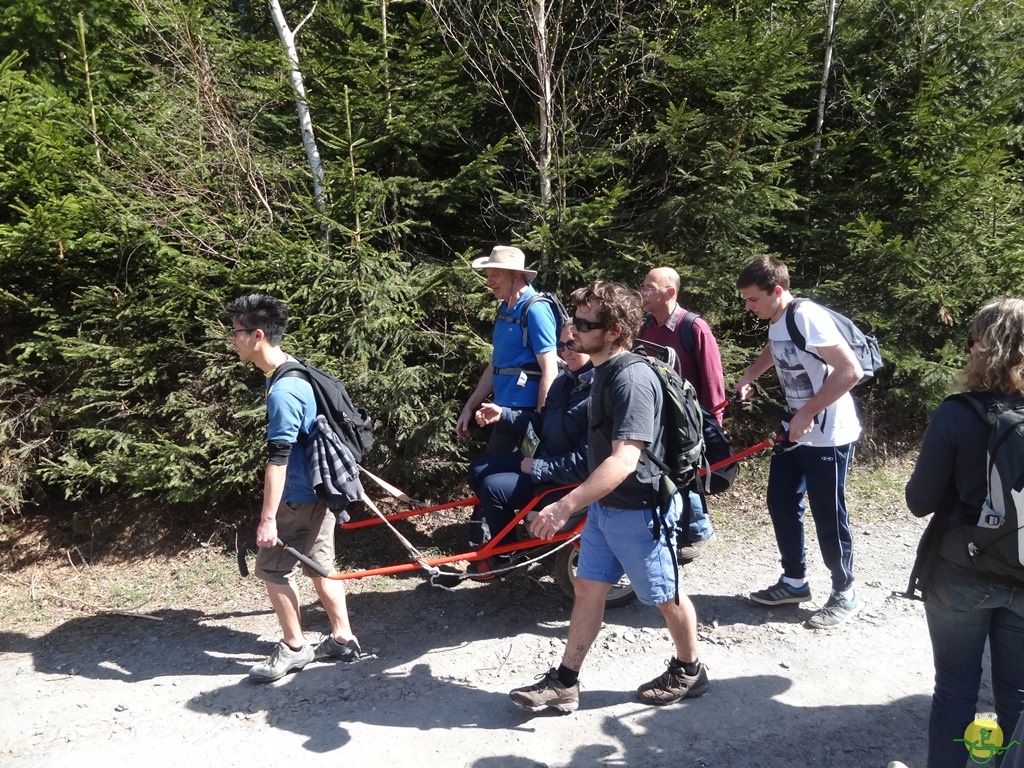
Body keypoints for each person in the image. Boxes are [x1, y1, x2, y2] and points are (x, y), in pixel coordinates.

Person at [508, 280, 709, 714]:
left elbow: (624, 460)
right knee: (587, 588)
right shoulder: (600, 372)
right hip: (606, 508)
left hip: (640, 511)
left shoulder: (632, 380)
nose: (572, 330)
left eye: (583, 323)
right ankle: (565, 681)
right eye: (572, 321)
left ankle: (690, 670)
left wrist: (564, 505)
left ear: (614, 330)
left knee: (665, 595)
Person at [905, 298, 1024, 768]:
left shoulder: (956, 413)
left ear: (979, 347)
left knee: (956, 691)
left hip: (960, 573)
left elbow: (920, 502)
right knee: (1016, 695)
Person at [223, 294, 361, 682]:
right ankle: (343, 638)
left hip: (299, 495)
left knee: (272, 570)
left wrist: (268, 520)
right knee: (321, 566)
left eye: (235, 332)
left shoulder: (283, 391)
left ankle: (294, 647)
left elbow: (278, 460)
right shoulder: (295, 370)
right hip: (322, 491)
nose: (232, 340)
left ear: (258, 335)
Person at [734, 256, 864, 629]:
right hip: (796, 431)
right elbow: (777, 349)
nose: (748, 307)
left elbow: (849, 370)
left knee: (828, 512)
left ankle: (845, 591)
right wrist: (748, 375)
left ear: (777, 291)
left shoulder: (806, 315)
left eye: (753, 299)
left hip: (829, 435)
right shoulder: (778, 319)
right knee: (780, 500)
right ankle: (794, 582)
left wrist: (806, 412)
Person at [465, 323, 595, 579]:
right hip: (544, 460)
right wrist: (504, 415)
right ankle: (509, 541)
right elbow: (541, 421)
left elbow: (586, 462)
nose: (565, 352)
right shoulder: (565, 380)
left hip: (562, 477)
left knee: (494, 487)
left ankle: (503, 556)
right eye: (561, 345)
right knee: (478, 470)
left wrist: (537, 467)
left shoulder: (597, 393)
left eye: (572, 344)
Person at [638, 266, 725, 560]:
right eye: (643, 287)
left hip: (690, 420)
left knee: (689, 473)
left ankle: (699, 530)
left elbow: (713, 380)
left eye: (650, 288)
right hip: (654, 419)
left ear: (670, 292)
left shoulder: (693, 327)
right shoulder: (645, 327)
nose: (643, 293)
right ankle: (674, 529)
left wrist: (713, 425)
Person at [455, 246, 559, 455]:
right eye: (488, 274)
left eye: (496, 274)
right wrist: (470, 406)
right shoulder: (506, 308)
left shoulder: (536, 310)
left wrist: (539, 420)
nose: (488, 281)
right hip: (503, 409)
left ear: (518, 276)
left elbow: (550, 369)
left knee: (494, 475)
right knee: (490, 473)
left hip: (524, 413)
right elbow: (496, 364)